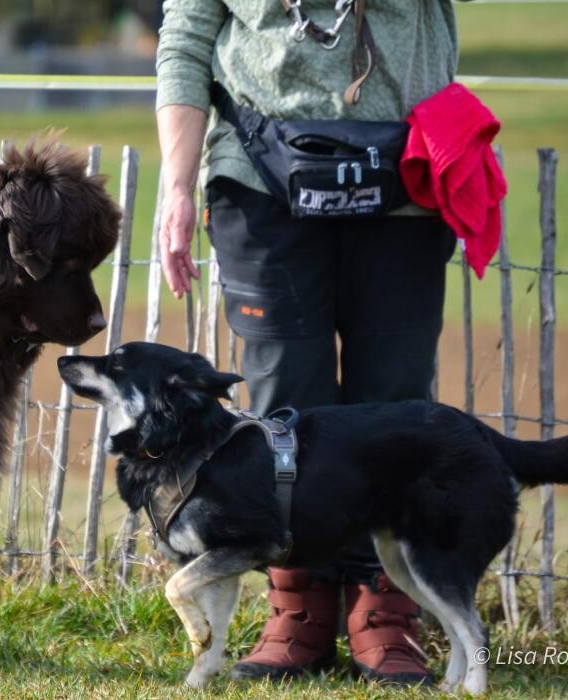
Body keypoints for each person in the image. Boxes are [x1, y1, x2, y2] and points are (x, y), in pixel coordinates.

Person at [155, 0, 464, 686]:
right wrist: (178, 186)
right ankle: (297, 607)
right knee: (282, 402)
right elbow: (186, 37)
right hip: (259, 172)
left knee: (395, 395)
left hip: (406, 173)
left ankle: (387, 611)